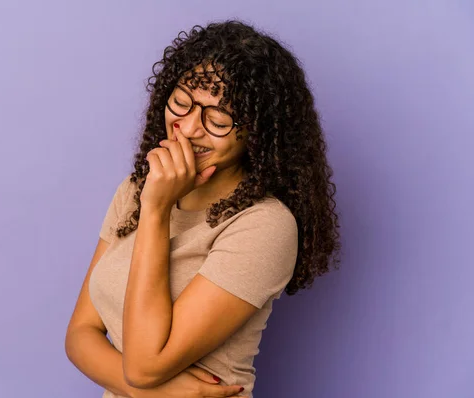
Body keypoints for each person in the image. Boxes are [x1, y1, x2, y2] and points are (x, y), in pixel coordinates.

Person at [64, 20, 341, 398]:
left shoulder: (265, 225)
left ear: (257, 131)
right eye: (181, 102)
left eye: (218, 118)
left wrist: (157, 213)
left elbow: (145, 365)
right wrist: (164, 395)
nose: (189, 128)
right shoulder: (137, 191)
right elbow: (80, 334)